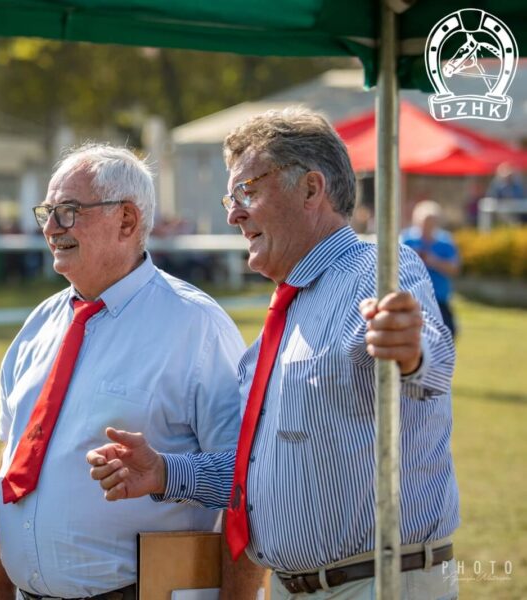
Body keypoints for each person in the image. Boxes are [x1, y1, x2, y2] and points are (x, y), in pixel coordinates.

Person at [88, 108, 459, 599]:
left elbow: (429, 365)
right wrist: (163, 471)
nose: (232, 213)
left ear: (310, 189)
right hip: (297, 588)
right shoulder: (282, 321)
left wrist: (412, 351)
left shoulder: (373, 268)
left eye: (248, 191)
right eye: (231, 196)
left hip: (375, 585)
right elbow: (260, 475)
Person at [0, 144, 249, 599]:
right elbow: (11, 462)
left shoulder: (195, 326)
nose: (50, 228)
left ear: (127, 220)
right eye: (47, 212)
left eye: (68, 211)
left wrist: (167, 471)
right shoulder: (39, 324)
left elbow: (246, 478)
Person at [402, 200, 460, 338]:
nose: (426, 228)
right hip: (413, 299)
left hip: (439, 299)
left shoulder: (445, 242)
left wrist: (433, 261)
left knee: (447, 335)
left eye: (431, 224)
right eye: (424, 224)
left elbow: (454, 268)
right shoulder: (407, 240)